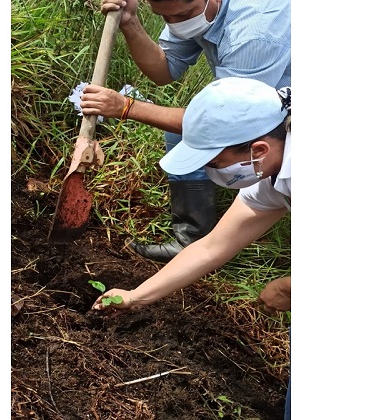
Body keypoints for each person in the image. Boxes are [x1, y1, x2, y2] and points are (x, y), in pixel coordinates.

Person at [91, 77, 292, 420]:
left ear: (258, 150)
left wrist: (290, 286)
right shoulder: (273, 165)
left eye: (214, 163)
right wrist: (135, 296)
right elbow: (213, 246)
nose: (212, 172)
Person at [79, 0, 291, 263]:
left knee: (194, 135)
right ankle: (191, 239)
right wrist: (130, 23)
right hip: (268, 104)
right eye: (165, 17)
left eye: (183, 14)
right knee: (182, 135)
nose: (176, 23)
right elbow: (164, 70)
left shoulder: (255, 33)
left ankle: (209, 242)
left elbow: (227, 120)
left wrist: (125, 106)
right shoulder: (187, 9)